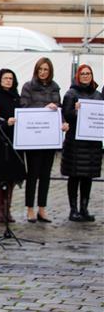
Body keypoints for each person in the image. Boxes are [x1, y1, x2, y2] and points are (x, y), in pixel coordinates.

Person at [20, 57, 68, 223]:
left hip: (49, 138)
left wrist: (63, 123)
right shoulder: (28, 87)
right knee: (32, 174)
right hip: (33, 138)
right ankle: (30, 209)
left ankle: (42, 208)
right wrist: (44, 109)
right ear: (36, 70)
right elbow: (24, 108)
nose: (42, 72)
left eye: (46, 69)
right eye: (40, 69)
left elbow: (58, 110)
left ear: (50, 71)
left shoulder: (55, 88)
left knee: (46, 175)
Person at [61, 64, 102, 222]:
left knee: (88, 177)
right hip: (75, 143)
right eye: (83, 73)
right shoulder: (71, 93)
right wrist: (76, 111)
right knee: (75, 176)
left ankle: (84, 208)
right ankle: (73, 210)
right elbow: (66, 114)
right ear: (78, 76)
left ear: (92, 76)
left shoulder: (98, 95)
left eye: (88, 73)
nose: (86, 76)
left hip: (92, 143)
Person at [0, 69, 26, 223]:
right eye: (5, 78)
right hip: (1, 143)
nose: (8, 81)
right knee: (0, 178)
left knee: (11, 178)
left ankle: (7, 209)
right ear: (0, 80)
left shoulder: (17, 98)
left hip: (15, 143)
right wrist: (5, 122)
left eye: (11, 78)